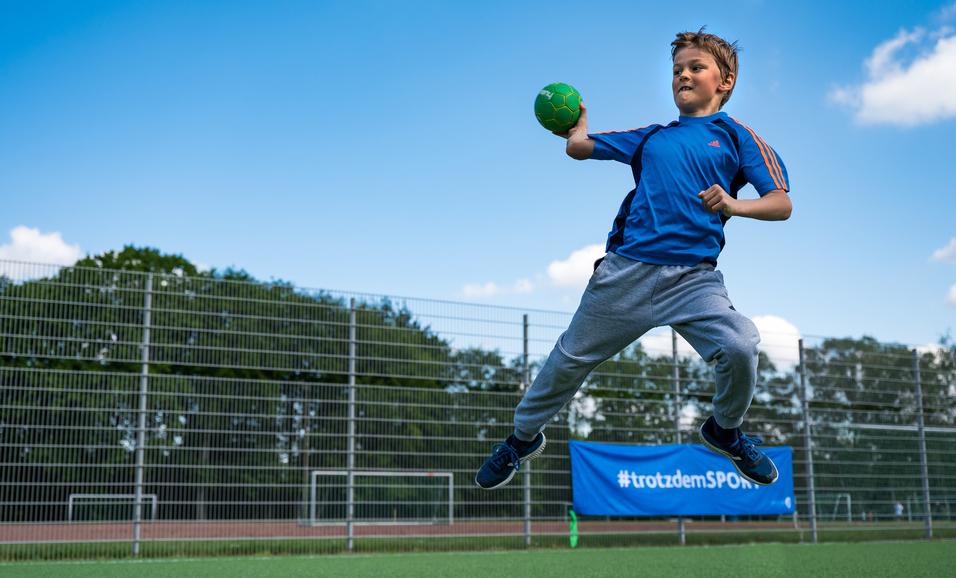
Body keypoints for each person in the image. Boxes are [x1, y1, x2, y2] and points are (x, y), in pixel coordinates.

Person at [475, 29, 792, 490]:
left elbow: (781, 203)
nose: (683, 75)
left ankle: (725, 429)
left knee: (741, 344)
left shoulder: (737, 137)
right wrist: (576, 130)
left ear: (725, 81)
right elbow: (581, 148)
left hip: (694, 281)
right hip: (625, 273)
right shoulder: (652, 138)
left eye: (696, 67)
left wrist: (733, 203)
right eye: (677, 69)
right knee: (567, 359)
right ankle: (521, 439)